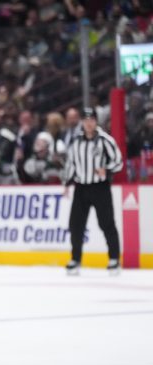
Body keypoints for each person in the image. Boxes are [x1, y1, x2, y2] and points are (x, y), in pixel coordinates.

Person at [63, 107, 123, 275]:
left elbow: (118, 161)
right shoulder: (75, 141)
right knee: (76, 225)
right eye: (86, 120)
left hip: (100, 187)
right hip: (81, 187)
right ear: (82, 122)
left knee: (106, 223)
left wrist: (107, 169)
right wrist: (67, 183)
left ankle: (114, 259)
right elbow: (71, 163)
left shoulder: (105, 140)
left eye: (91, 120)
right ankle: (75, 259)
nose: (89, 123)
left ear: (96, 121)